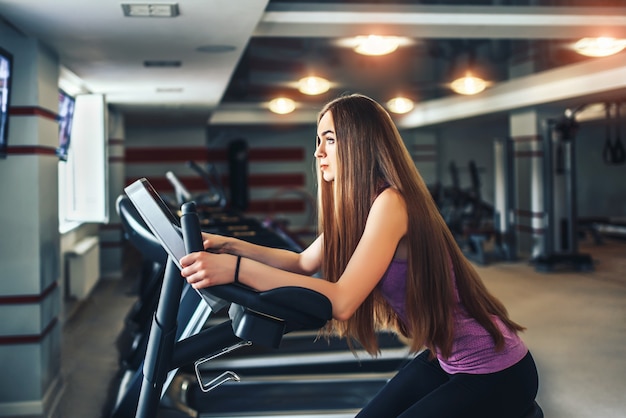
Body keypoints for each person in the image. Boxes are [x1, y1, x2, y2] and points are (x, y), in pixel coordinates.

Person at [180, 93, 539, 418]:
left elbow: (343, 301)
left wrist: (236, 270)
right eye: (318, 141)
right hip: (445, 360)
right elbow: (302, 262)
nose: (318, 152)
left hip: (494, 371)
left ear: (358, 145)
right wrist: (227, 245)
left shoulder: (391, 203)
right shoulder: (359, 209)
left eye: (330, 140)